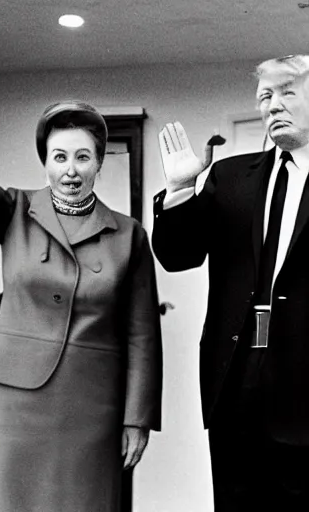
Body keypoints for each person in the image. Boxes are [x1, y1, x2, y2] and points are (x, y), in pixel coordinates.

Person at [0, 66, 163, 512]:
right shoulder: (15, 210)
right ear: (45, 162)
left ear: (100, 161)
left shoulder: (128, 234)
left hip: (93, 404)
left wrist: (137, 418)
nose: (71, 170)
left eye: (83, 157)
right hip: (16, 400)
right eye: (59, 157)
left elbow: (142, 335)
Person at [152, 54, 309, 511]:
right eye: (265, 96)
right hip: (235, 384)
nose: (272, 105)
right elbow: (178, 256)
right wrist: (181, 189)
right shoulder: (230, 177)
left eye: (288, 93)